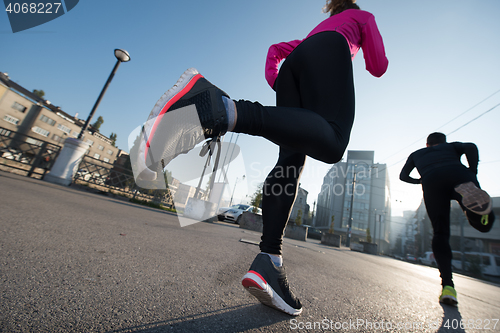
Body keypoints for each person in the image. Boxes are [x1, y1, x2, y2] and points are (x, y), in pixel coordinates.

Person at [136, 0, 388, 315]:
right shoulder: (362, 17)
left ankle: (269, 259)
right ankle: (220, 108)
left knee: (290, 163)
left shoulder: (314, 33)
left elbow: (276, 49)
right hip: (329, 54)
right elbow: (378, 66)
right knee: (334, 141)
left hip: (293, 67)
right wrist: (360, 47)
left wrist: (278, 83)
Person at [400, 132, 495, 306]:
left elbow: (403, 176)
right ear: (443, 142)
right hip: (460, 175)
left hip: (432, 181)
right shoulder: (451, 146)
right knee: (483, 226)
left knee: (440, 232)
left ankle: (448, 287)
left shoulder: (417, 154)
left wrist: (421, 180)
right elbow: (471, 147)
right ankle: (477, 213)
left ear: (427, 144)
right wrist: (472, 172)